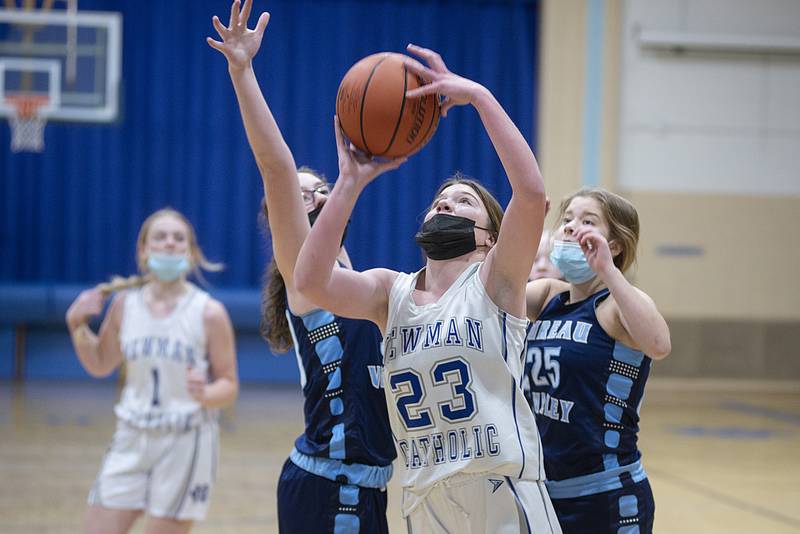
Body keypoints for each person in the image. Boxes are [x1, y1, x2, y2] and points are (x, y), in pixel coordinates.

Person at [294, 44, 562, 533]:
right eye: (440, 200)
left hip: (500, 487)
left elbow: (532, 193)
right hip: (423, 497)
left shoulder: (497, 281)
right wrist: (350, 182)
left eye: (465, 202)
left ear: (490, 236)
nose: (447, 204)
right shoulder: (387, 293)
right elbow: (309, 280)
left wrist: (479, 97)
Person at [207, 2, 396, 532]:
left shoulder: (363, 282)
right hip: (330, 486)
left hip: (365, 488)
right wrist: (243, 73)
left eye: (322, 189)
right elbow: (277, 165)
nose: (315, 194)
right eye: (303, 195)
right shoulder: (305, 278)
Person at [64, 208, 239, 534]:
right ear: (143, 251)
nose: (170, 243)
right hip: (131, 436)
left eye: (178, 238)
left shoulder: (209, 313)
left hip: (185, 442)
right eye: (160, 237)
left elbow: (228, 385)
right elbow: (100, 364)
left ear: (191, 252)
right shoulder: (124, 307)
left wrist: (206, 392)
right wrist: (76, 326)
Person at [524, 188, 671, 533]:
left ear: (615, 244)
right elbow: (486, 294)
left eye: (587, 221)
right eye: (568, 219)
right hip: (546, 494)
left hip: (606, 494)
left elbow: (660, 344)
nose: (572, 227)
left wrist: (607, 271)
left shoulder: (617, 305)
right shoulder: (548, 295)